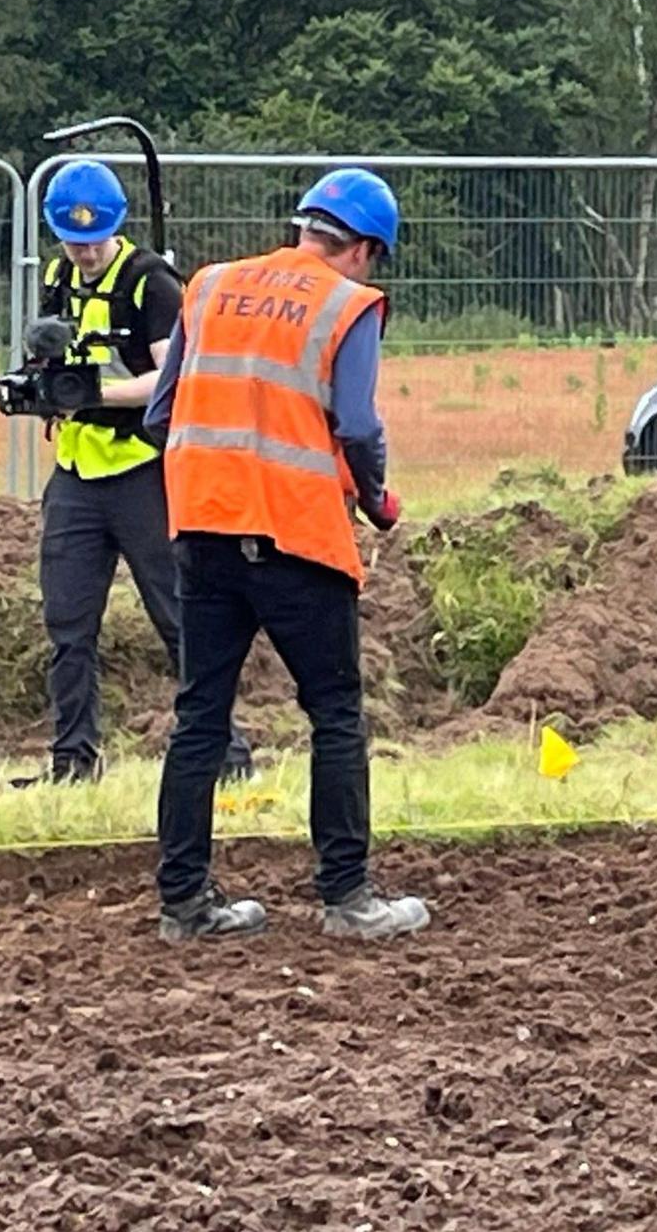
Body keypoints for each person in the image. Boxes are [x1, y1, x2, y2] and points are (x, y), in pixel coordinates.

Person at [141, 168, 428, 943]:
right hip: (298, 536)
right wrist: (375, 497)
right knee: (335, 714)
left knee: (199, 716)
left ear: (306, 226)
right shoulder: (348, 304)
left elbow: (163, 412)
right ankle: (348, 898)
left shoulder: (208, 285)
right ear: (364, 248)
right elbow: (359, 426)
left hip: (201, 530)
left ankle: (184, 904)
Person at [18, 160, 251, 788]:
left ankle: (227, 754)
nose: (84, 251)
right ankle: (72, 764)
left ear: (117, 228)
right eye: (72, 239)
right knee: (68, 624)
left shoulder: (152, 283)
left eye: (94, 240)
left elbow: (173, 377)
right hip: (75, 472)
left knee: (177, 617)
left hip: (142, 474)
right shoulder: (58, 275)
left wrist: (94, 395)